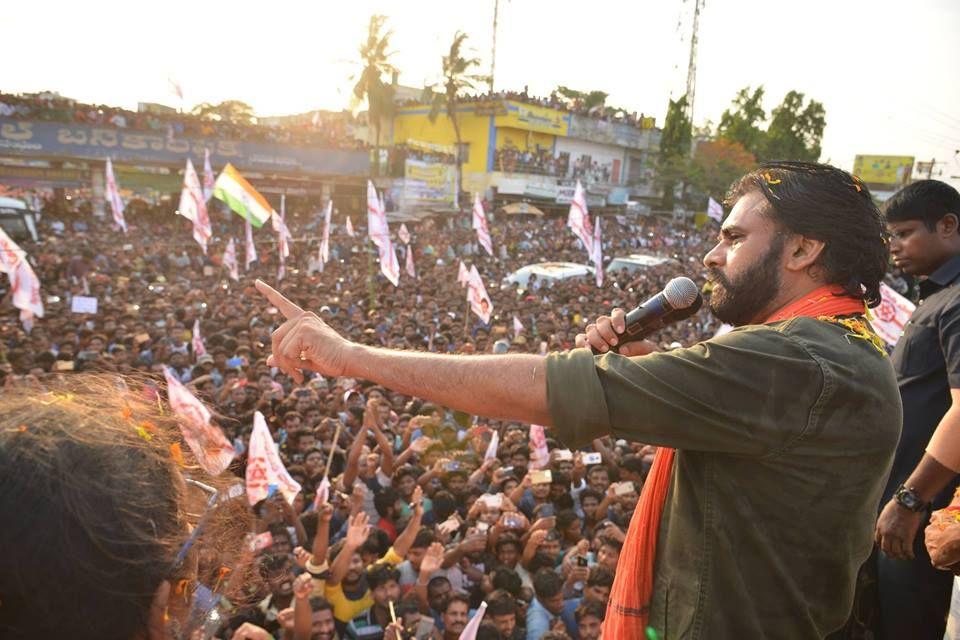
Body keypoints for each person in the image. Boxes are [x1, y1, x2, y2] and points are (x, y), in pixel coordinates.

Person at [256, 161, 899, 638]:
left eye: (733, 238)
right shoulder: (831, 350)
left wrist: (351, 357)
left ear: (804, 248)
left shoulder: (799, 359)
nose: (711, 254)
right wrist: (642, 365)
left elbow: (545, 389)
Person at [873, 179, 960, 639]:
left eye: (904, 234)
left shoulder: (959, 301)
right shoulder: (936, 296)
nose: (894, 248)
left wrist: (911, 500)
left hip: (920, 512)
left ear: (947, 225)